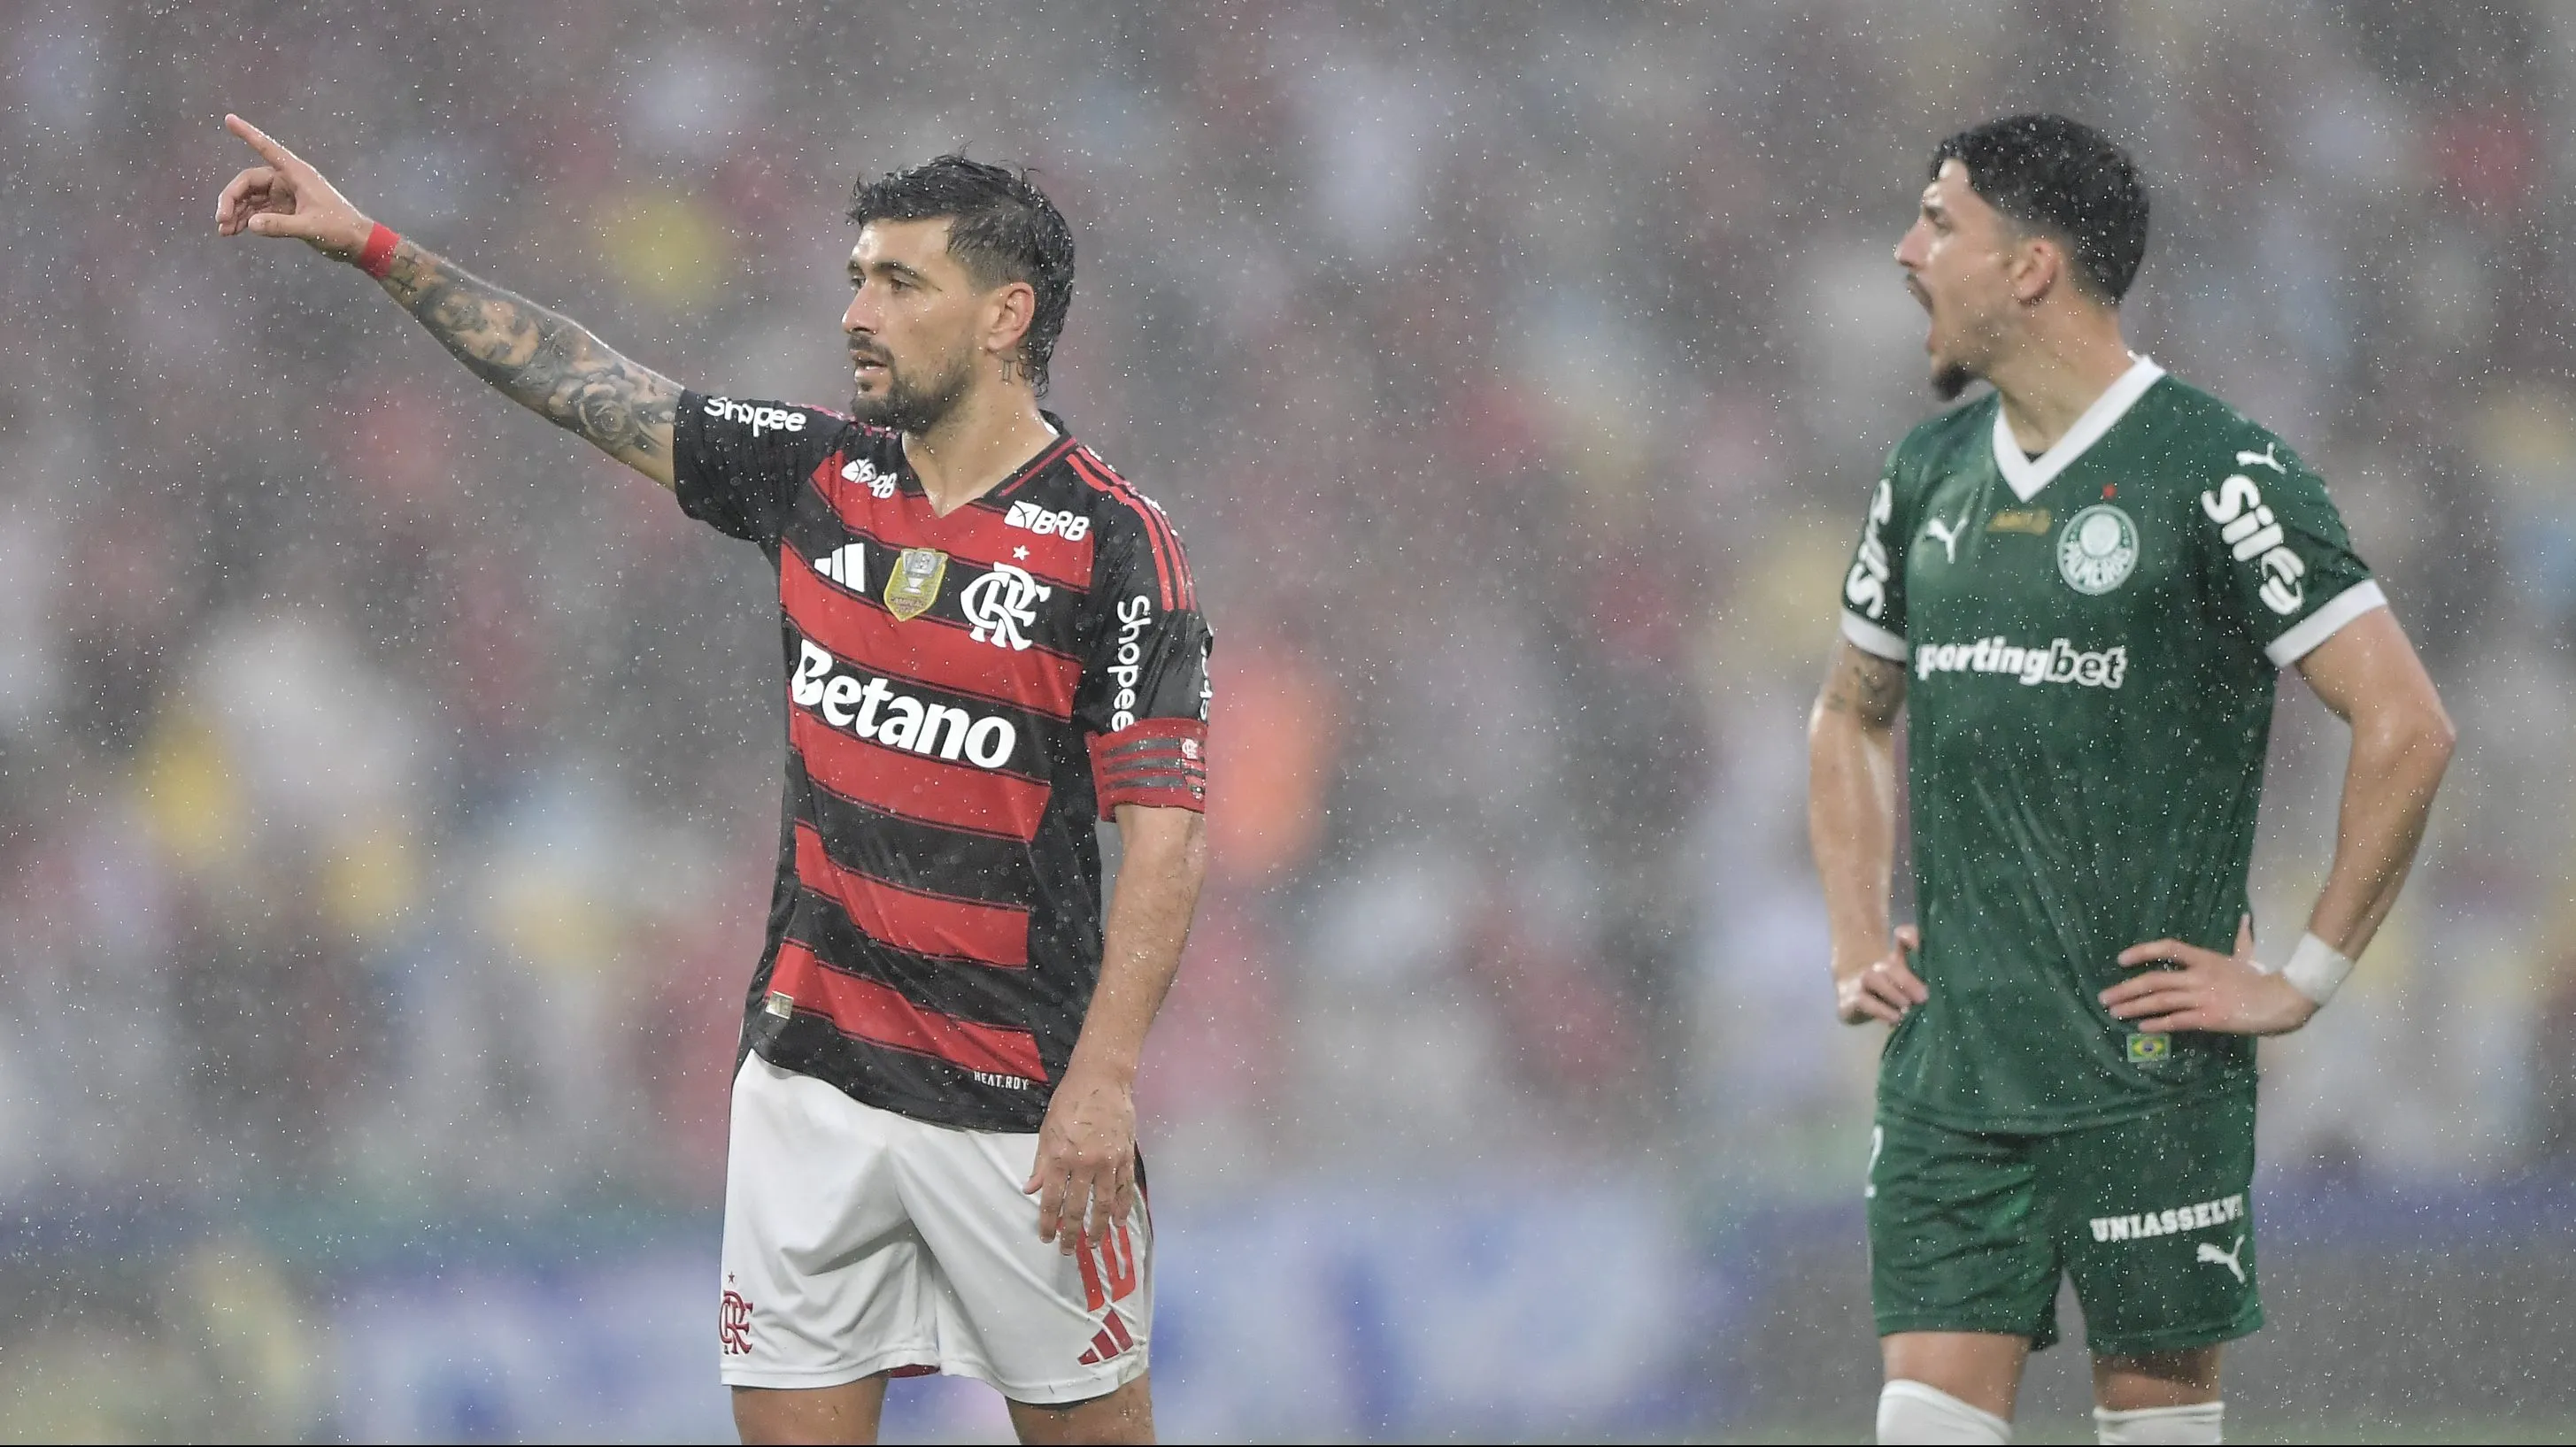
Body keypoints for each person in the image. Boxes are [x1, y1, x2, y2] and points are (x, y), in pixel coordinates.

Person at [217, 115, 1210, 1446]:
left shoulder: (1113, 544)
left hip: (1016, 1107)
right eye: (855, 277)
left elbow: (1167, 839)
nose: (855, 313)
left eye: (898, 283)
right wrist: (377, 249)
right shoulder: (815, 472)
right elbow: (584, 377)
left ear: (1004, 316)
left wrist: (1103, 1083)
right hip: (809, 1090)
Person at [1806, 114, 2454, 1446]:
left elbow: (2405, 724)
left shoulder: (2217, 472)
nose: (1906, 251)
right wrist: (1857, 934)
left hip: (2148, 1072)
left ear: (2031, 265)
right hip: (1955, 1074)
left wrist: (2301, 980)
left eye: (1940, 222)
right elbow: (1849, 712)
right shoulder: (1925, 474)